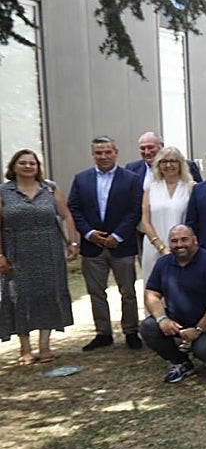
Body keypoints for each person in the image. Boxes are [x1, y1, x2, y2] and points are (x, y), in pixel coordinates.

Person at [0, 149, 78, 364]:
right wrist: (0, 255)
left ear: (37, 167)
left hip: (49, 251)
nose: (28, 166)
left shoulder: (50, 189)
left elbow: (66, 216)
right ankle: (25, 347)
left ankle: (45, 346)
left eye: (32, 163)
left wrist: (72, 242)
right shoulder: (4, 192)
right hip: (16, 252)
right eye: (23, 163)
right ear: (14, 166)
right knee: (19, 297)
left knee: (48, 294)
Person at [68, 136, 144, 351]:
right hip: (92, 246)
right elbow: (74, 208)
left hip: (122, 245)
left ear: (116, 153)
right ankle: (103, 333)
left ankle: (131, 331)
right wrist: (90, 233)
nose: (103, 156)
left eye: (107, 152)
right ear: (93, 155)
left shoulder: (130, 178)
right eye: (98, 153)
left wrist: (117, 236)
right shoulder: (81, 179)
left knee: (127, 291)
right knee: (96, 292)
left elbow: (135, 209)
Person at [140, 225, 206, 383]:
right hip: (177, 321)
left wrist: (198, 329)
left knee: (205, 351)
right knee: (148, 326)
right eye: (174, 241)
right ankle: (180, 362)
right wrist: (162, 319)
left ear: (195, 240)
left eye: (184, 240)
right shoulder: (163, 263)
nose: (179, 244)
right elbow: (151, 294)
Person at [139, 146, 194, 277]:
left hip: (183, 248)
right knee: (154, 288)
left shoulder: (191, 187)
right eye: (164, 161)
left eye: (173, 161)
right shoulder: (150, 189)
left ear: (180, 164)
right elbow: (145, 221)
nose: (168, 165)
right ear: (158, 165)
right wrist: (161, 248)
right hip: (153, 246)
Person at [126, 131, 202, 185]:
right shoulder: (132, 168)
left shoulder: (187, 166)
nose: (147, 152)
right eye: (142, 148)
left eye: (150, 147)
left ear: (161, 146)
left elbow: (200, 193)